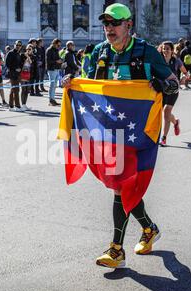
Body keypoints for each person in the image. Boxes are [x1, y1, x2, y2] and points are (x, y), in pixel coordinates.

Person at [62, 3, 179, 269]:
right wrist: (71, 84)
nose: (109, 28)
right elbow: (89, 84)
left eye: (114, 23)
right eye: (105, 24)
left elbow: (174, 83)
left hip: (140, 129)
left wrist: (162, 85)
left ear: (129, 25)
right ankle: (148, 229)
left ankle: (116, 249)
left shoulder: (147, 52)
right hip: (111, 129)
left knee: (123, 185)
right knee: (122, 184)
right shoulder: (99, 52)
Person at [158, 41, 188, 146]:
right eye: (164, 48)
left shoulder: (176, 61)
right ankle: (175, 122)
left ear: (171, 50)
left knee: (166, 112)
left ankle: (164, 138)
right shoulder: (158, 60)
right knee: (159, 113)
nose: (165, 50)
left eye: (167, 48)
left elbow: (185, 72)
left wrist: (184, 78)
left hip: (172, 90)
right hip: (160, 89)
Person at [6, 40, 23, 111]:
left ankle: (11, 106)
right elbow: (7, 64)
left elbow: (19, 64)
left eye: (19, 45)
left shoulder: (19, 53)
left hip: (17, 74)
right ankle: (17, 106)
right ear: (14, 45)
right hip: (12, 74)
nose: (18, 46)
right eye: (17, 45)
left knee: (13, 90)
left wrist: (20, 69)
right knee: (16, 90)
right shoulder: (10, 53)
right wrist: (15, 69)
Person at [19, 44, 37, 111]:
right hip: (23, 74)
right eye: (27, 49)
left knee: (27, 90)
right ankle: (22, 105)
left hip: (30, 75)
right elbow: (20, 64)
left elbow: (33, 65)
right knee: (23, 89)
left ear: (32, 50)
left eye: (29, 49)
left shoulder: (34, 57)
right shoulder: (22, 56)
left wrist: (35, 76)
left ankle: (24, 105)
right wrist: (26, 57)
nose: (28, 50)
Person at [46, 38, 63, 106]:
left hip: (56, 69)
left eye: (59, 46)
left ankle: (53, 99)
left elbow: (57, 58)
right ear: (54, 44)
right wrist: (56, 61)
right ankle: (51, 100)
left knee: (55, 85)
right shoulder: (49, 50)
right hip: (51, 69)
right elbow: (48, 61)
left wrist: (61, 60)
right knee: (52, 85)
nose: (59, 47)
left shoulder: (56, 50)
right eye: (58, 45)